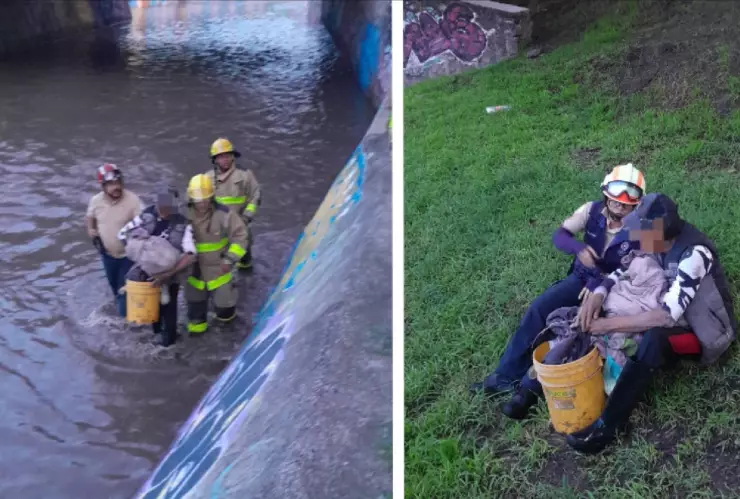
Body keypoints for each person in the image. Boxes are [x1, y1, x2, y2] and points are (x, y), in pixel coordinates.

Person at [469, 163, 647, 419]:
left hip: (617, 289)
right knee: (539, 309)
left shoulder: (643, 228)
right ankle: (503, 376)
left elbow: (645, 266)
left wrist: (602, 285)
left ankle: (528, 390)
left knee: (574, 331)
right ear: (605, 192)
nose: (621, 202)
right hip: (581, 278)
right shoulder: (591, 210)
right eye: (616, 193)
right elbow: (560, 235)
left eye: (630, 197)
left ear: (638, 203)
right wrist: (579, 250)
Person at [566, 192, 736, 453]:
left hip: (705, 331)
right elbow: (623, 268)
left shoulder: (694, 254)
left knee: (654, 339)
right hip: (671, 309)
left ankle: (610, 423)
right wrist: (599, 294)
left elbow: (666, 316)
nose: (634, 237)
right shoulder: (656, 242)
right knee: (620, 312)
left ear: (660, 232)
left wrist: (608, 325)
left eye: (640, 232)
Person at [117, 186, 196, 347]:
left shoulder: (184, 224)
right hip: (147, 273)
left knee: (169, 307)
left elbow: (191, 254)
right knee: (152, 306)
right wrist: (137, 254)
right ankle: (156, 334)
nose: (164, 207)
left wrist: (167, 274)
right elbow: (122, 234)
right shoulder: (146, 215)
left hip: (171, 275)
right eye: (162, 202)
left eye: (169, 203)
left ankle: (170, 343)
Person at [185, 173, 249, 334]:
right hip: (194, 275)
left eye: (206, 199)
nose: (202, 204)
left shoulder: (224, 214)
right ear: (191, 198)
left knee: (226, 316)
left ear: (212, 196)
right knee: (196, 323)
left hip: (220, 272)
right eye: (199, 200)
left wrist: (230, 259)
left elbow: (241, 236)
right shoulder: (183, 215)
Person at [86, 163, 143, 317]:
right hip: (107, 254)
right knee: (115, 288)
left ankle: (127, 324)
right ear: (102, 186)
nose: (116, 187)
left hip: (128, 256)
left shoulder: (133, 200)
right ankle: (123, 313)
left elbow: (145, 224)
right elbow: (90, 216)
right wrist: (91, 229)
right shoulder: (95, 201)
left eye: (118, 182)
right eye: (111, 184)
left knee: (124, 292)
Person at [205, 137, 261, 270]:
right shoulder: (207, 178)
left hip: (241, 223)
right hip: (219, 229)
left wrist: (246, 217)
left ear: (233, 156)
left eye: (227, 155)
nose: (225, 159)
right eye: (221, 156)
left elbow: (255, 196)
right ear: (215, 159)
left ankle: (246, 270)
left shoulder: (245, 175)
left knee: (244, 256)